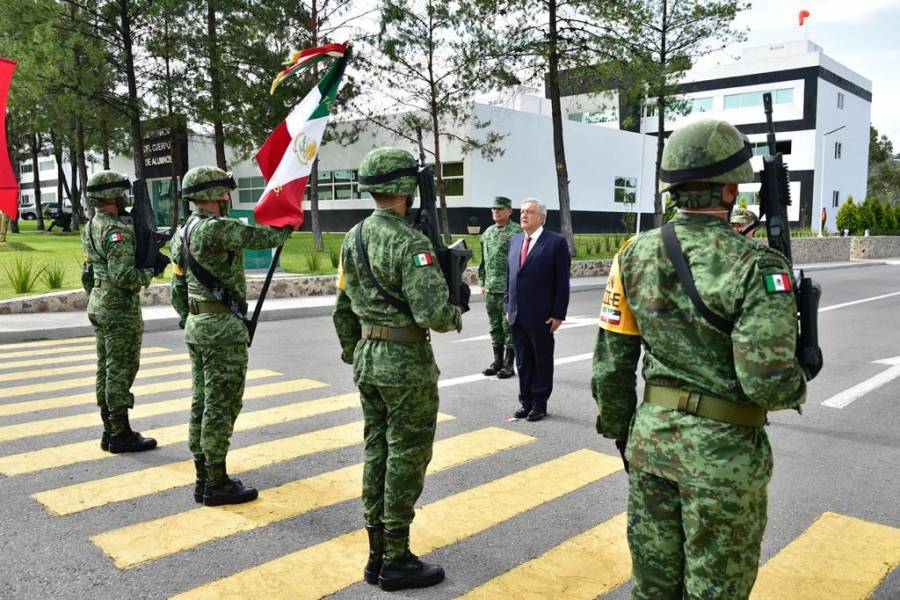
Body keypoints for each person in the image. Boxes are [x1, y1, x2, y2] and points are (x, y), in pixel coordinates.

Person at [591, 119, 808, 599]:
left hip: (650, 442)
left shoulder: (632, 254)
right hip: (723, 455)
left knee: (652, 584)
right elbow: (767, 383)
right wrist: (801, 377)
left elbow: (611, 363)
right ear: (731, 189)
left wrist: (623, 433)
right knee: (715, 589)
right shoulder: (756, 265)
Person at [332, 147, 466, 592]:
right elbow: (433, 315)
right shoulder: (410, 242)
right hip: (405, 365)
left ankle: (375, 554)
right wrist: (457, 306)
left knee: (377, 451)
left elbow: (342, 310)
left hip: (369, 359)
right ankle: (396, 559)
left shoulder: (352, 238)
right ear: (407, 189)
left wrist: (358, 351)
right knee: (406, 455)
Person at [170, 166, 291, 507]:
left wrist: (191, 319)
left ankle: (203, 477)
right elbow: (266, 237)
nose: (227, 196)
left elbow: (177, 288)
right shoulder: (216, 230)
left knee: (202, 402)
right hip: (222, 330)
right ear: (212, 195)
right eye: (224, 191)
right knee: (221, 406)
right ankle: (216, 482)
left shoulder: (183, 233)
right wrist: (288, 221)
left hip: (198, 326)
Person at [80, 170, 160, 454]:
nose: (125, 197)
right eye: (121, 192)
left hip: (100, 303)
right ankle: (120, 433)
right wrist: (150, 270)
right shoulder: (117, 231)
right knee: (120, 371)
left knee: (105, 368)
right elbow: (124, 276)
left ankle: (109, 429)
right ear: (112, 195)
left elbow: (88, 273)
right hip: (118, 308)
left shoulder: (90, 226)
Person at [505, 198, 570, 422]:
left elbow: (562, 282)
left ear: (542, 217)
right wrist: (507, 305)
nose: (524, 215)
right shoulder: (515, 241)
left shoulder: (555, 242)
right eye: (522, 212)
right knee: (522, 360)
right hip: (516, 314)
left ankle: (540, 403)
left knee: (541, 360)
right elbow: (510, 277)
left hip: (542, 315)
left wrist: (558, 314)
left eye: (530, 212)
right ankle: (526, 401)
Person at [478, 196, 522, 378]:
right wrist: (482, 282)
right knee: (495, 326)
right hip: (490, 289)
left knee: (508, 327)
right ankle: (496, 361)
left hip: (507, 289)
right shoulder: (487, 233)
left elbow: (520, 262)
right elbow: (483, 261)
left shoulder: (517, 232)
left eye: (500, 209)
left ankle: (508, 364)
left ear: (509, 211)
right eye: (494, 209)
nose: (496, 212)